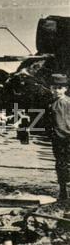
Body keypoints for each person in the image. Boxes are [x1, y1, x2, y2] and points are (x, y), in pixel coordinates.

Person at [48, 73, 70, 201]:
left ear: (65, 88)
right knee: (60, 165)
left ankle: (65, 192)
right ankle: (63, 192)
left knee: (65, 164)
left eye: (60, 88)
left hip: (67, 138)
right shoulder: (51, 104)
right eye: (54, 87)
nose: (57, 90)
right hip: (57, 139)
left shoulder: (67, 102)